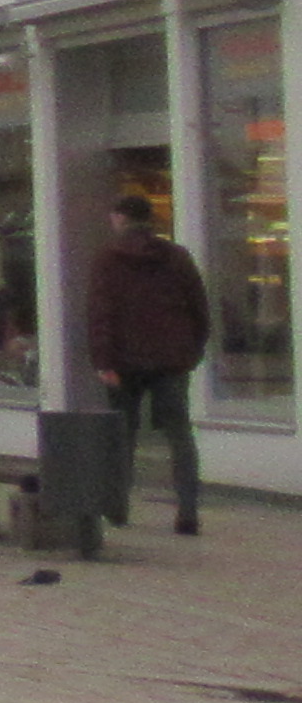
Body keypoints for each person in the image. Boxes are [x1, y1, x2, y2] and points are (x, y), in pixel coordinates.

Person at [88, 191, 213, 537]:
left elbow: (101, 314)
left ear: (120, 218)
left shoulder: (107, 259)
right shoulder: (177, 257)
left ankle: (117, 508)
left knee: (122, 436)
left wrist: (103, 360)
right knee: (179, 434)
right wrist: (191, 351)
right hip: (172, 359)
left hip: (123, 361)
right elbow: (199, 309)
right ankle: (188, 513)